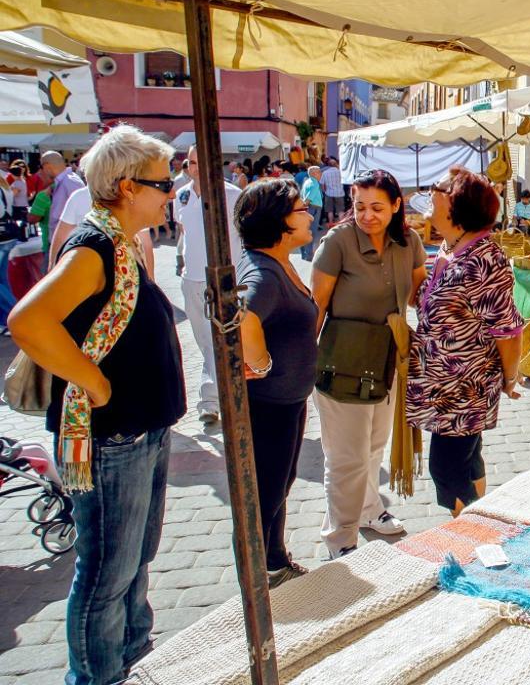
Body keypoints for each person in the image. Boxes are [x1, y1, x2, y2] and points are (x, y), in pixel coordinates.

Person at [8, 125, 184, 685]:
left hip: (141, 430)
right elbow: (28, 321)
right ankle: (96, 677)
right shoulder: (94, 247)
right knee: (107, 573)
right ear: (129, 187)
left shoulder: (123, 242)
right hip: (112, 436)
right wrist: (97, 384)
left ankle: (132, 659)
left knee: (133, 564)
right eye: (164, 180)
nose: (172, 190)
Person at [311, 169, 426, 557]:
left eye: (377, 207)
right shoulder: (338, 242)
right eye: (359, 206)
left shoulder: (409, 241)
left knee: (374, 444)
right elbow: (317, 306)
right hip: (344, 360)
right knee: (346, 456)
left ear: (397, 206)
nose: (367, 215)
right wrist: (304, 362)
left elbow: (418, 295)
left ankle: (368, 510)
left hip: (389, 357)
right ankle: (340, 538)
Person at [407, 168, 524, 515]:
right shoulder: (449, 248)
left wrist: (511, 378)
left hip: (465, 389)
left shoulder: (484, 259)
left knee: (446, 468)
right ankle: (479, 519)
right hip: (445, 387)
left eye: (437, 188)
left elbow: (509, 330)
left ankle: (470, 532)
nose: (430, 192)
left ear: (455, 203)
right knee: (467, 461)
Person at [233, 178, 318, 588]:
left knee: (278, 486)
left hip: (286, 401)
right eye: (302, 208)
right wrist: (262, 362)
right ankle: (255, 583)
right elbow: (245, 315)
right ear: (279, 221)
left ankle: (274, 561)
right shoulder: (264, 272)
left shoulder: (278, 262)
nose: (310, 214)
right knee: (265, 494)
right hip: (269, 404)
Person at [175, 144, 245, 426]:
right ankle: (218, 396)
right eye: (190, 163)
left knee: (219, 339)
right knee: (206, 342)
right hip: (191, 279)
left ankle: (212, 400)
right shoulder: (181, 195)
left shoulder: (232, 195)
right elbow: (183, 233)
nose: (195, 168)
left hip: (224, 280)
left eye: (199, 161)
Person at [51, 186, 156, 281]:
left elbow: (60, 240)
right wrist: (151, 282)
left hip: (101, 280)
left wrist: (52, 272)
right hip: (121, 278)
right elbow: (145, 244)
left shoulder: (78, 197)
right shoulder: (130, 198)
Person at [41, 149, 85, 241]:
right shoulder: (66, 181)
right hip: (64, 241)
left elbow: (83, 212)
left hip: (67, 242)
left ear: (47, 166)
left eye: (42, 167)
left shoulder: (69, 182)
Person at [300, 165, 324, 260]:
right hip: (313, 208)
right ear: (314, 174)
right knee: (311, 231)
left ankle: (304, 254)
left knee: (306, 230)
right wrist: (305, 206)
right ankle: (309, 255)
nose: (321, 174)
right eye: (319, 172)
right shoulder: (314, 183)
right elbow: (308, 198)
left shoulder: (307, 182)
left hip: (310, 208)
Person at [320, 159, 343, 226]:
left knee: (330, 210)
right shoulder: (340, 172)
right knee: (340, 210)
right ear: (336, 164)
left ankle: (330, 223)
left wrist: (324, 190)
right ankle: (341, 223)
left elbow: (322, 183)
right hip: (340, 193)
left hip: (329, 193)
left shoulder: (325, 173)